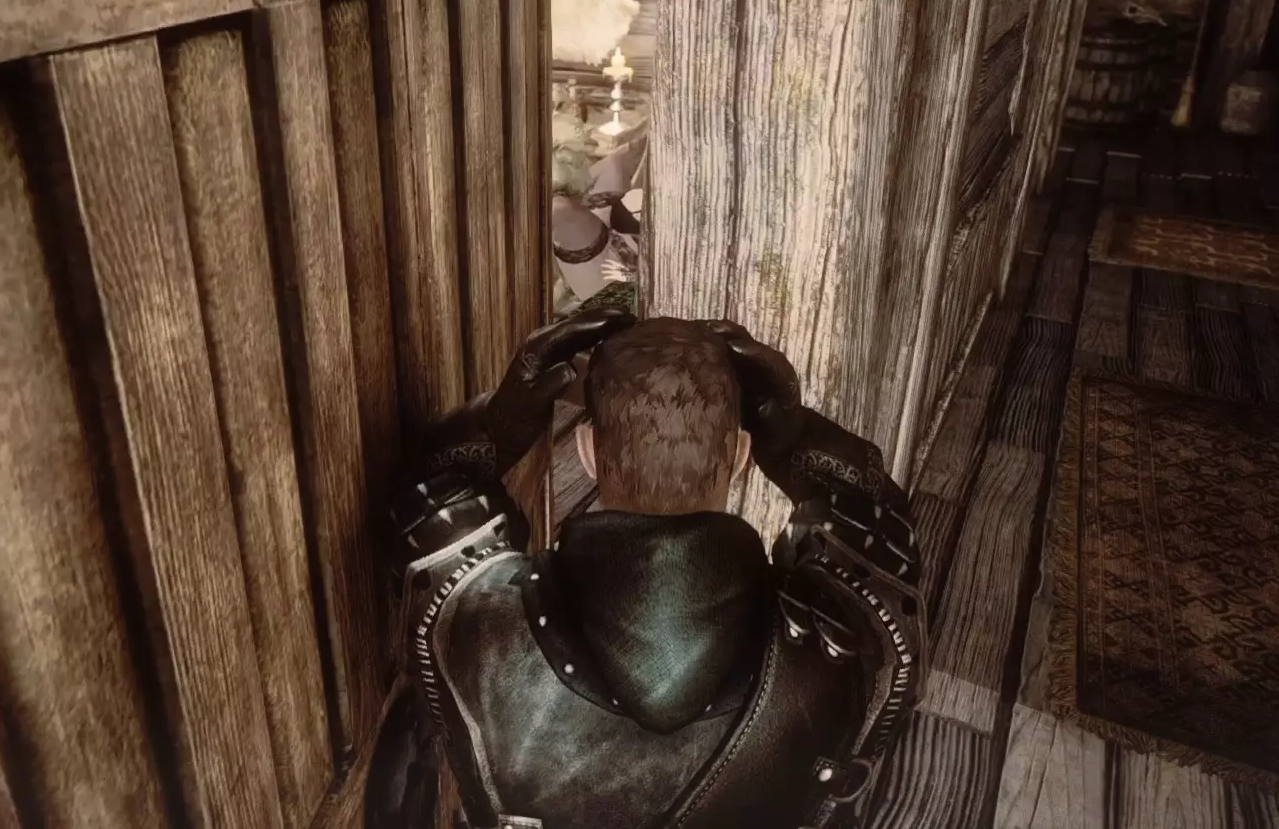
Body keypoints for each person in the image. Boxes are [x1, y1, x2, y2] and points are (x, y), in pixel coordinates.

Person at [366, 310, 925, 829]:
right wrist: (796, 440)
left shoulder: (474, 626)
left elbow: (424, 501)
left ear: (587, 451)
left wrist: (502, 423)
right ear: (740, 457)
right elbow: (884, 535)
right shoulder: (851, 643)